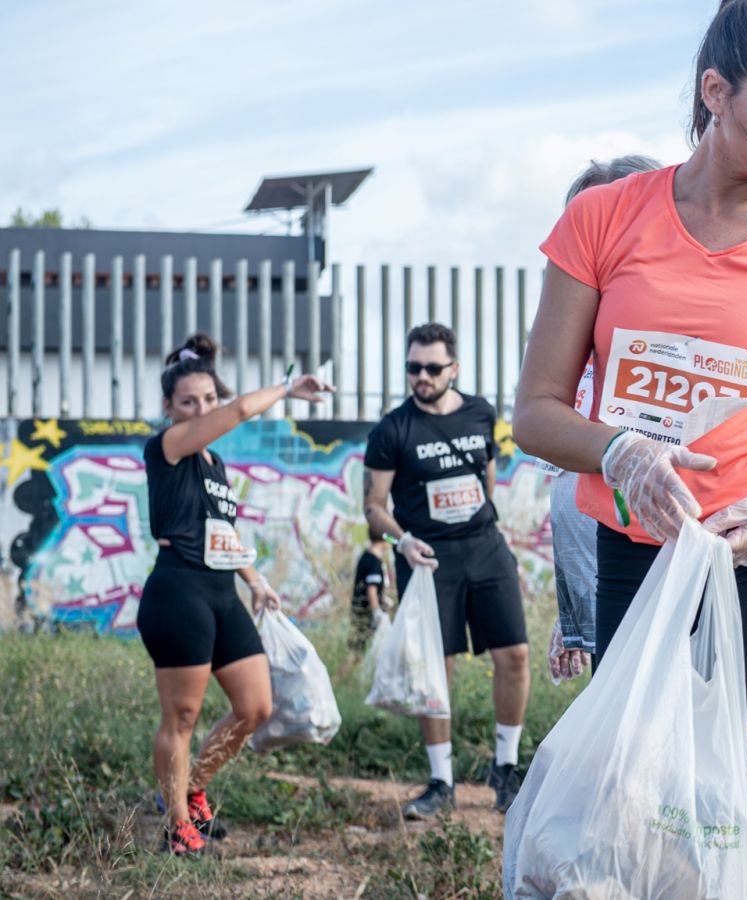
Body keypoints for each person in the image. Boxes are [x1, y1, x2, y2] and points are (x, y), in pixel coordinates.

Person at [512, 1, 747, 893]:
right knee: (642, 841)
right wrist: (619, 454)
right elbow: (535, 410)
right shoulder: (603, 221)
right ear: (715, 92)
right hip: (642, 560)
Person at [137, 333, 330, 855]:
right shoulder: (168, 447)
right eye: (188, 402)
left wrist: (256, 580)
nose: (201, 409)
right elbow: (245, 407)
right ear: (169, 409)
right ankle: (176, 824)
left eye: (208, 400)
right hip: (177, 593)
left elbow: (220, 534)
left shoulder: (214, 467)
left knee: (255, 706)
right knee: (181, 717)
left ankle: (191, 787)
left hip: (223, 593)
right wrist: (289, 387)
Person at [363, 322, 531, 818]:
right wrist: (403, 539)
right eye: (414, 367)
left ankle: (505, 768)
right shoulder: (393, 429)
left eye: (433, 368)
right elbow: (373, 506)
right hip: (426, 557)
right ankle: (441, 780)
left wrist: (472, 521)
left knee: (515, 655)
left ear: (453, 369)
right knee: (437, 669)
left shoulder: (481, 413)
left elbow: (488, 478)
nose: (422, 376)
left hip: (484, 546)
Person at [544, 154, 662, 684]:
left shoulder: (669, 335)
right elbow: (567, 480)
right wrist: (568, 611)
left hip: (660, 580)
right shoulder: (569, 346)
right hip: (599, 593)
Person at [349, 528, 390, 653]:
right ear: (384, 539)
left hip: (360, 610)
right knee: (357, 653)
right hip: (366, 613)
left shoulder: (365, 556)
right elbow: (371, 588)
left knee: (359, 651)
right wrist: (376, 610)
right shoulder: (374, 562)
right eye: (390, 538)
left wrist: (384, 599)